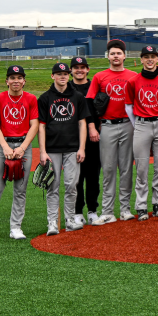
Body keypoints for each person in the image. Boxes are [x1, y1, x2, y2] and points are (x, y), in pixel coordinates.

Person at [0, 65, 39, 241]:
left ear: (24, 81)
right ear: (7, 81)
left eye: (19, 78)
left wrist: (22, 147)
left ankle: (16, 228)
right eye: (12, 78)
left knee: (20, 190)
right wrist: (5, 147)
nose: (16, 81)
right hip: (3, 145)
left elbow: (34, 124)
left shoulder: (31, 99)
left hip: (24, 146)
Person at [86, 39, 139, 224]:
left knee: (125, 169)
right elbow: (90, 104)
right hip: (106, 125)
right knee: (108, 169)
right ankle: (107, 211)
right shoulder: (100, 77)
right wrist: (92, 126)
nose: (115, 56)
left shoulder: (133, 76)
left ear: (125, 55)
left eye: (119, 53)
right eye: (112, 53)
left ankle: (125, 209)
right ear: (107, 56)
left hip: (128, 125)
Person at [37, 62, 88, 235]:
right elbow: (41, 126)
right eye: (59, 73)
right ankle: (52, 222)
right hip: (52, 148)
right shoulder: (45, 98)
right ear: (52, 76)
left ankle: (70, 219)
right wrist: (42, 151)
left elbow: (82, 123)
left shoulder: (77, 96)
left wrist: (82, 148)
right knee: (53, 186)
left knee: (72, 185)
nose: (63, 76)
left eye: (65, 73)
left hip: (73, 148)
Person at [126, 46, 158, 219]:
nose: (150, 60)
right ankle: (141, 205)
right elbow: (129, 105)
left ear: (157, 58)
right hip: (141, 124)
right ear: (141, 59)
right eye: (146, 57)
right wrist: (138, 123)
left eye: (152, 56)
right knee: (142, 168)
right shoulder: (133, 81)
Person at [69, 56, 102, 226]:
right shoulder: (66, 88)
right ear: (71, 71)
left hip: (94, 138)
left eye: (82, 67)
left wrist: (98, 127)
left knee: (93, 176)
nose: (79, 70)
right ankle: (76, 211)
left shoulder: (94, 86)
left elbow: (102, 111)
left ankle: (92, 210)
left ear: (88, 69)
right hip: (73, 139)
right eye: (76, 67)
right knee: (76, 177)